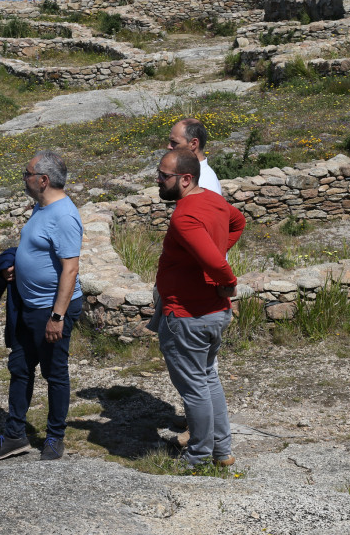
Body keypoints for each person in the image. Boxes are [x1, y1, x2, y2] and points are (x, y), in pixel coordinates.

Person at [0, 151, 83, 462]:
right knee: (20, 369)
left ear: (43, 180)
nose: (23, 179)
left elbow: (70, 269)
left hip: (49, 309)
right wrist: (11, 269)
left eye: (27, 174)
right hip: (28, 305)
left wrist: (57, 316)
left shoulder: (64, 216)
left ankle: (54, 437)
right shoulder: (42, 208)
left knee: (55, 373)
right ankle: (15, 435)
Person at [152, 149, 245, 467]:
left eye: (164, 176)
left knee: (195, 390)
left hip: (188, 315)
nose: (159, 181)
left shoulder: (185, 215)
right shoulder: (212, 199)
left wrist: (226, 278)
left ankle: (199, 458)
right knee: (207, 380)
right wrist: (219, 254)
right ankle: (222, 452)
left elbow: (213, 260)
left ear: (186, 179)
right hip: (211, 312)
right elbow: (238, 222)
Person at [167, 118, 222, 195]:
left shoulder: (204, 183)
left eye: (174, 142)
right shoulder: (194, 175)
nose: (169, 146)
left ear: (193, 144)